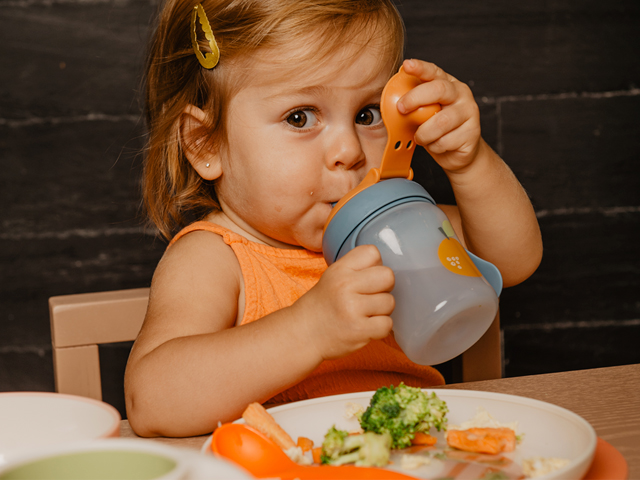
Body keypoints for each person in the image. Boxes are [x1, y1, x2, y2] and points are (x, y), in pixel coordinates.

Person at [124, 0, 542, 438]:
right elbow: (151, 402)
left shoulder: (402, 229)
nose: (350, 151)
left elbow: (514, 260)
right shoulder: (214, 259)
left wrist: (469, 162)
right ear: (205, 144)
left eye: (367, 115)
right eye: (300, 117)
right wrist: (308, 329)